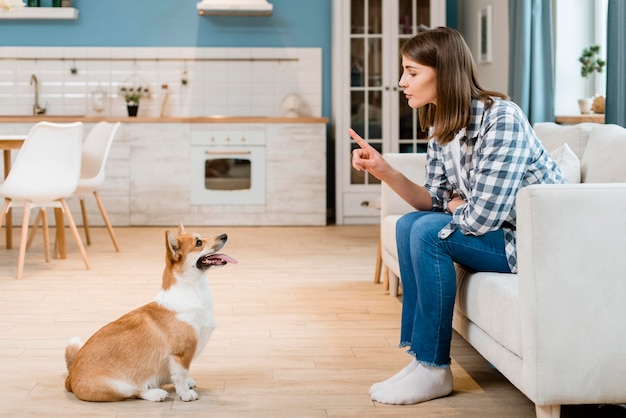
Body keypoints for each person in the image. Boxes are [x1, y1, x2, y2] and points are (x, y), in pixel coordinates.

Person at [350, 27, 566, 405]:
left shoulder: (501, 119)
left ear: (444, 72)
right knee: (409, 224)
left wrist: (454, 204)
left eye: (412, 72)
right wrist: (385, 170)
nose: (402, 82)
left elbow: (480, 218)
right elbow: (433, 200)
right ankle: (421, 360)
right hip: (503, 232)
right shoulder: (441, 127)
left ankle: (435, 370)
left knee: (430, 233)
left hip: (536, 242)